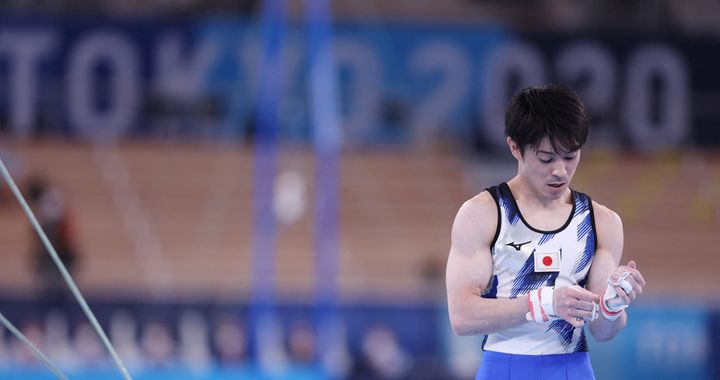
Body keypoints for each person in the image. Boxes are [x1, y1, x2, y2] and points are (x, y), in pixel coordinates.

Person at [445, 84, 646, 379]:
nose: (560, 171)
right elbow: (462, 317)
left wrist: (613, 304)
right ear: (515, 147)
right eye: (546, 158)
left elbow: (602, 330)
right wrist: (543, 303)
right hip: (505, 368)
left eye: (570, 156)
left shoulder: (602, 223)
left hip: (572, 369)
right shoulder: (483, 214)